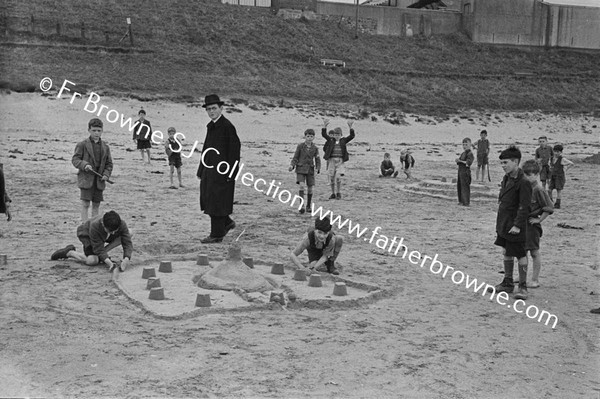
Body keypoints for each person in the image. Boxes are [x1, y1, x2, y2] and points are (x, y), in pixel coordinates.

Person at [489, 146, 532, 300]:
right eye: (501, 163)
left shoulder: (523, 182)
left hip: (515, 225)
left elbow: (524, 206)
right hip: (504, 223)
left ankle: (522, 286)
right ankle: (507, 282)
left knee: (520, 254)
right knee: (506, 251)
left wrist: (517, 225)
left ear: (516, 162)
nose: (503, 166)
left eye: (505, 162)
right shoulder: (507, 178)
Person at [196, 94, 241, 244]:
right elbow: (206, 149)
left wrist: (231, 173)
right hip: (209, 171)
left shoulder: (227, 127)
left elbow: (235, 151)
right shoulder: (211, 126)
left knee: (217, 202)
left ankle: (216, 234)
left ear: (221, 108)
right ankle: (227, 223)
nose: (211, 111)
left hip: (223, 172)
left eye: (214, 108)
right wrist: (201, 169)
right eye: (208, 109)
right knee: (209, 200)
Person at [50, 210, 133, 272]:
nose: (114, 233)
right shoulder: (95, 226)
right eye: (111, 231)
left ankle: (103, 256)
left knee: (129, 232)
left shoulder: (121, 224)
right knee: (93, 260)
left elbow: (127, 242)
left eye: (116, 230)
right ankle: (70, 252)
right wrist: (110, 263)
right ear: (103, 225)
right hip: (87, 235)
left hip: (103, 237)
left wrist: (126, 259)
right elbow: (98, 249)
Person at [72, 118, 113, 222]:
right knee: (85, 204)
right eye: (94, 130)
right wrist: (84, 165)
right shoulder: (82, 145)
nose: (96, 133)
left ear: (102, 131)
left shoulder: (105, 147)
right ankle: (85, 226)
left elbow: (109, 164)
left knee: (96, 205)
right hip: (86, 180)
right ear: (89, 130)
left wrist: (106, 175)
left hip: (99, 181)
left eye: (99, 131)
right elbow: (75, 160)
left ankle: (93, 226)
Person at [522, 160, 554, 289]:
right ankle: (522, 276)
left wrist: (539, 220)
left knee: (534, 252)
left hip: (532, 225)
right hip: (523, 223)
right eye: (525, 175)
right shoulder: (526, 187)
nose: (527, 177)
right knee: (522, 252)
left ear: (536, 174)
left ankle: (535, 279)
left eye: (530, 175)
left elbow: (549, 207)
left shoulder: (539, 189)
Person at [321, 119, 355, 200]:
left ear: (341, 135)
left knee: (338, 177)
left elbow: (352, 136)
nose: (337, 136)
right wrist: (324, 126)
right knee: (332, 178)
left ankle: (338, 192)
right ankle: (333, 193)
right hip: (332, 160)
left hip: (340, 161)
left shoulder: (343, 140)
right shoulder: (331, 140)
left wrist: (350, 127)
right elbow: (324, 134)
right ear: (333, 135)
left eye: (338, 134)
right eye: (335, 134)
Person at [289, 128, 321, 214]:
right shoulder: (300, 146)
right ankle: (301, 205)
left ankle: (308, 206)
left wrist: (317, 168)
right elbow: (295, 157)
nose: (309, 138)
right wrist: (292, 165)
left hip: (310, 170)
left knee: (310, 189)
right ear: (305, 136)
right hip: (300, 169)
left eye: (311, 136)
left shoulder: (315, 148)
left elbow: (317, 159)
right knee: (302, 186)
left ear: (314, 137)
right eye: (308, 136)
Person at [547, 144, 574, 209]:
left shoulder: (562, 159)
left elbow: (571, 163)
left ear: (561, 152)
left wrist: (565, 169)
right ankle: (550, 202)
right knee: (549, 189)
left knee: (558, 190)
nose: (556, 153)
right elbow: (550, 166)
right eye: (555, 151)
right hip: (553, 176)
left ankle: (557, 204)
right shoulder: (551, 159)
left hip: (559, 177)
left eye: (558, 152)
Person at [456, 138, 474, 206]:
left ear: (470, 145)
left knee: (465, 187)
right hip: (460, 171)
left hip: (465, 172)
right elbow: (460, 161)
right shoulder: (463, 153)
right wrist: (458, 161)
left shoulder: (470, 154)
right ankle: (461, 201)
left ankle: (466, 202)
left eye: (466, 144)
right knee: (460, 186)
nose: (464, 146)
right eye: (463, 144)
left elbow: (468, 163)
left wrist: (460, 161)